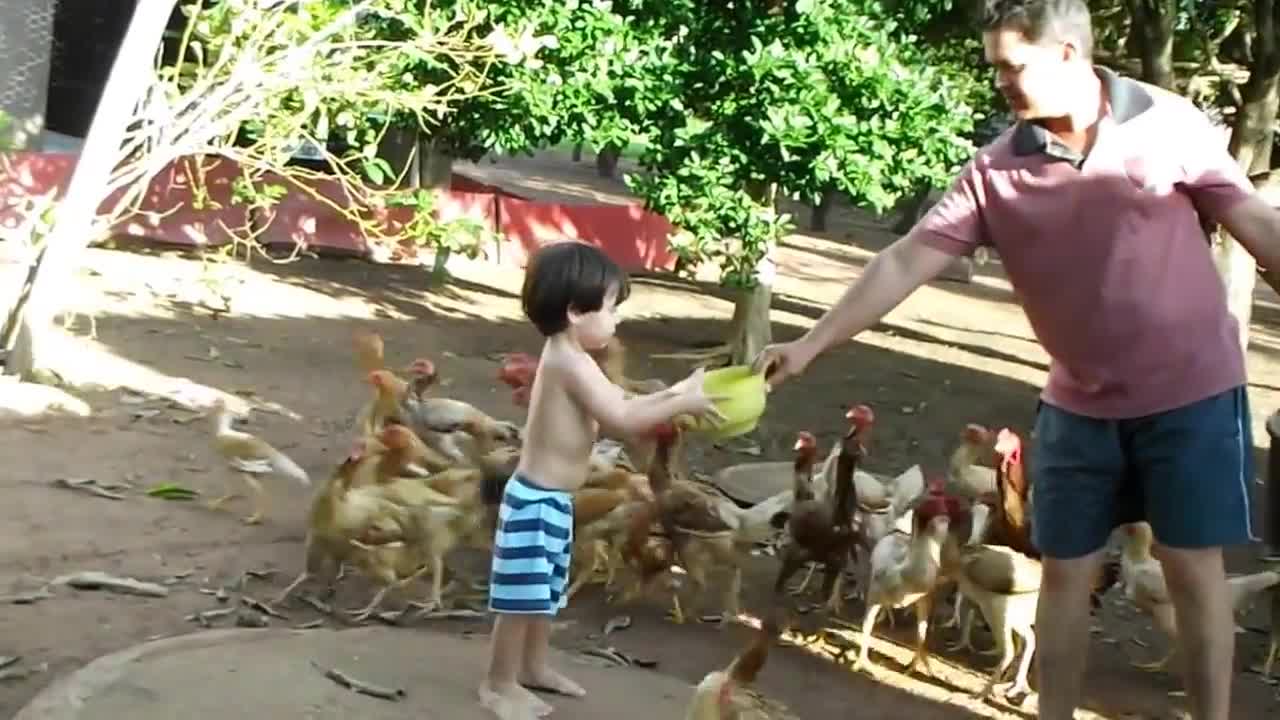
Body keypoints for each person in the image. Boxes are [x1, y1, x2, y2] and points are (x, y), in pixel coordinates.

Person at [754, 1, 1280, 718]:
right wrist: (813, 342)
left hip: (1190, 393)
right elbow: (907, 258)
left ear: (1067, 54)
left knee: (1192, 570)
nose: (998, 80)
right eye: (994, 65)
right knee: (1063, 574)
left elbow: (1251, 220)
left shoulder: (1169, 124)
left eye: (1011, 64)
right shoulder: (996, 171)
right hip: (1078, 406)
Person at [479, 240, 724, 720]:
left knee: (544, 595)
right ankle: (497, 684)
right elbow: (623, 418)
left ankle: (532, 666)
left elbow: (623, 402)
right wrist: (681, 402)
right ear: (575, 310)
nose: (617, 319)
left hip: (552, 501)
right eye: (612, 307)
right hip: (535, 502)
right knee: (520, 601)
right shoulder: (566, 361)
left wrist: (677, 392)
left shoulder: (575, 358)